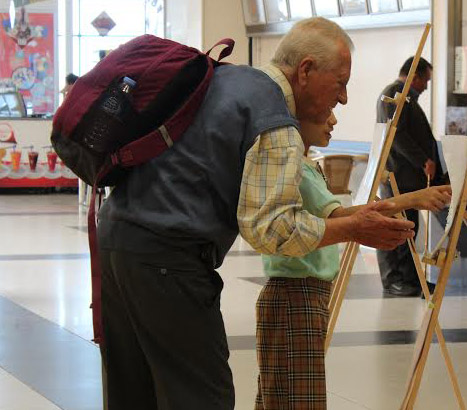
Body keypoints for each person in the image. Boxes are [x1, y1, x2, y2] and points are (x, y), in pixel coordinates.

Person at [96, 17, 414, 410]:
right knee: (201, 397)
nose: (344, 97)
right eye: (340, 82)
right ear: (306, 70)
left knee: (134, 395)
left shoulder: (226, 80)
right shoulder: (274, 117)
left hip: (114, 239)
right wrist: (352, 228)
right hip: (169, 259)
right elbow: (270, 230)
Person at [255, 110, 450, 409]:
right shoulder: (297, 169)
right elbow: (346, 217)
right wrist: (411, 199)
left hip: (304, 295)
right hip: (296, 296)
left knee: (284, 397)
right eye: (327, 108)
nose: (332, 120)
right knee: (295, 400)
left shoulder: (304, 165)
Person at [376, 56, 444, 297]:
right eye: (425, 80)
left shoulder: (407, 97)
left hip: (409, 178)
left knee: (408, 226)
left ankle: (412, 279)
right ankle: (394, 278)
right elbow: (398, 135)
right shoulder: (395, 95)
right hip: (397, 175)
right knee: (395, 226)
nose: (426, 86)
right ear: (414, 76)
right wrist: (422, 159)